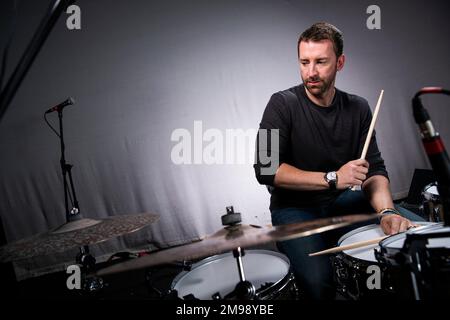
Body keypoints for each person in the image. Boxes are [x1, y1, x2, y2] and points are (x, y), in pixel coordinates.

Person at [253, 22, 423, 299]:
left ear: (340, 62)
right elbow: (264, 169)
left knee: (415, 233)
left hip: (341, 204)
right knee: (320, 283)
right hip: (293, 210)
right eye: (304, 62)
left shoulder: (358, 107)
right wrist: (333, 178)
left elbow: (375, 170)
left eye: (321, 62)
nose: (311, 72)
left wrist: (388, 211)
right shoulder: (281, 104)